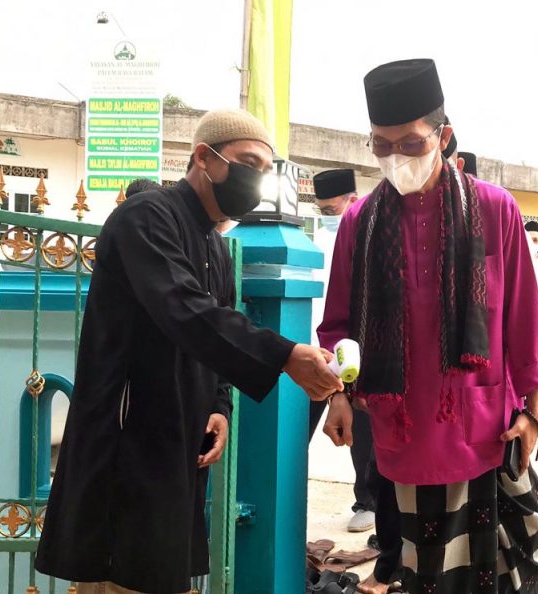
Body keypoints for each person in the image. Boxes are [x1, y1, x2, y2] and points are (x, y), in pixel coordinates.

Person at [35, 109, 344, 594]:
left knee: (162, 570)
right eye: (247, 162)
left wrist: (219, 406)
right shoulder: (145, 218)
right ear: (204, 157)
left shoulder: (215, 244)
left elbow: (213, 324)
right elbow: (183, 309)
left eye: (265, 168)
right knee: (118, 576)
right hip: (125, 436)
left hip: (178, 438)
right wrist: (284, 355)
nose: (256, 177)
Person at [319, 58, 538, 594]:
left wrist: (535, 417)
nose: (395, 157)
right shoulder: (361, 221)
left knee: (509, 566)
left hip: (485, 423)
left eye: (410, 143)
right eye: (381, 145)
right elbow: (338, 325)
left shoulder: (495, 209)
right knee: (424, 568)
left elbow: (524, 322)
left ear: (443, 136)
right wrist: (340, 393)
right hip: (401, 425)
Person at [303, 169, 379, 534]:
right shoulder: (315, 238)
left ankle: (366, 500)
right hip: (307, 351)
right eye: (321, 210)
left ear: (351, 200)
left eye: (331, 209)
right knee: (296, 430)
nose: (327, 217)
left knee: (360, 432)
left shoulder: (368, 229)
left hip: (348, 353)